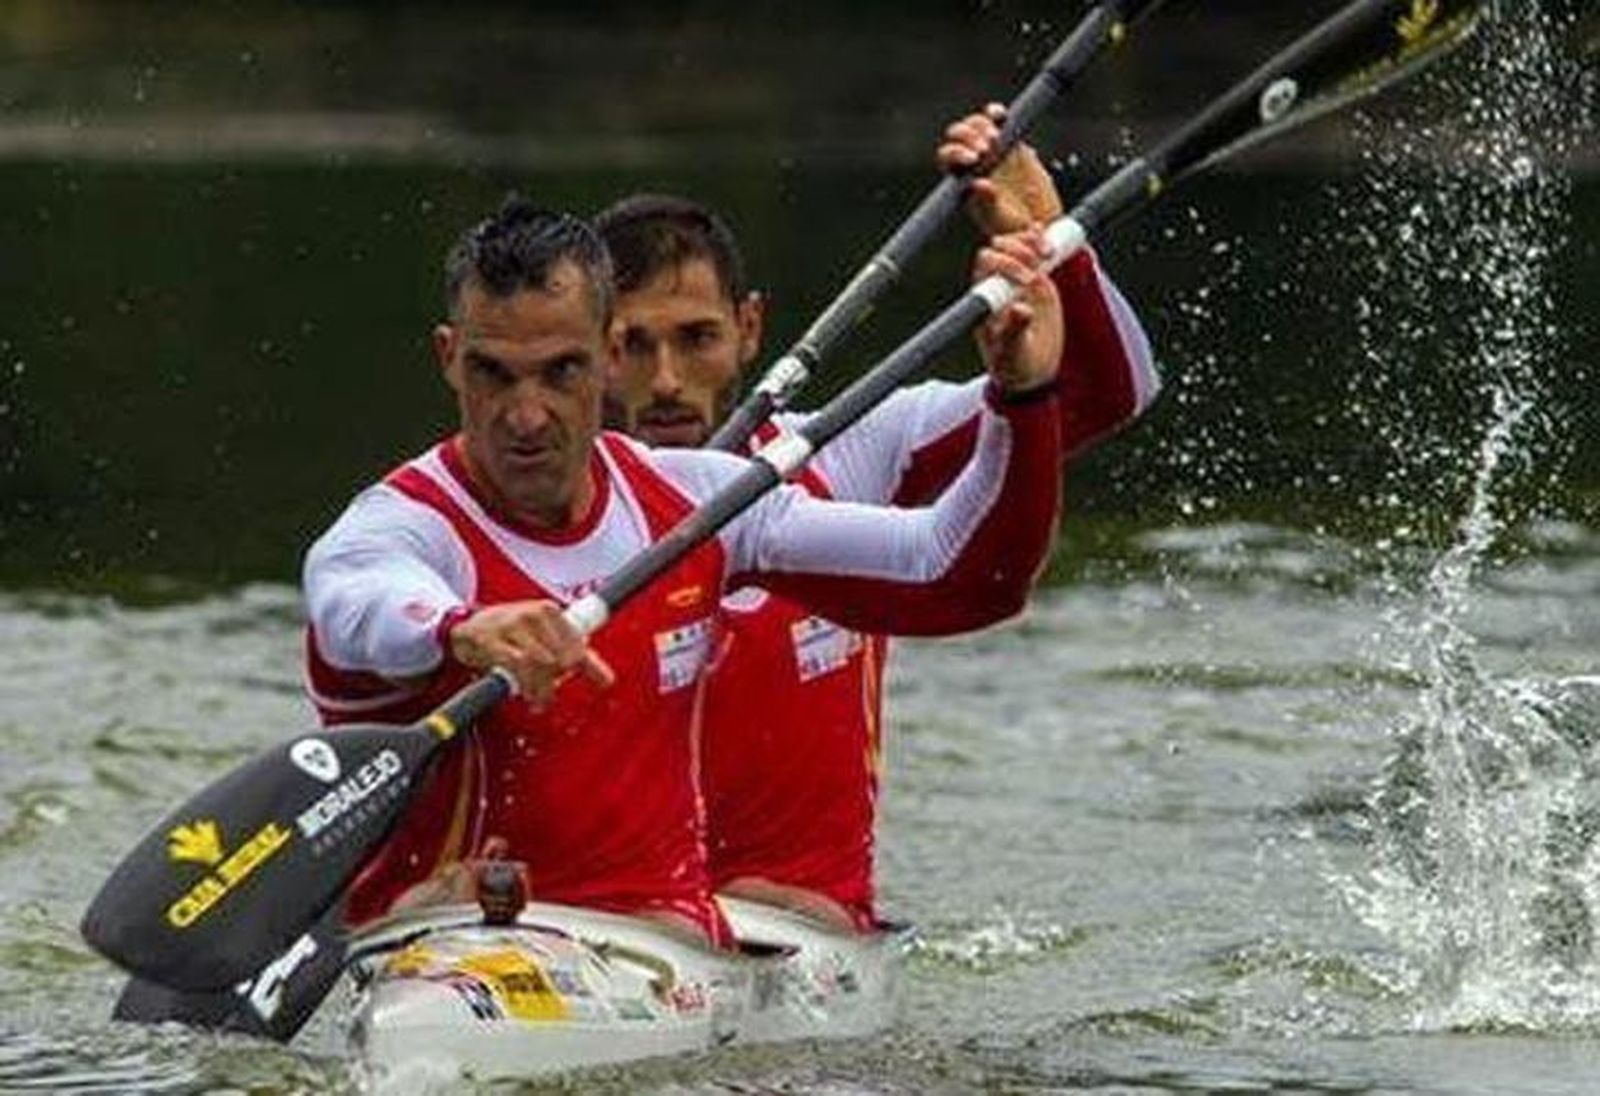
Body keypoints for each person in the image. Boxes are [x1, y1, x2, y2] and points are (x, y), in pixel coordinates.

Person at [303, 195, 1073, 944]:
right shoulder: (395, 528)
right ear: (448, 358)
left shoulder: (699, 504)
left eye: (561, 371)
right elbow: (361, 606)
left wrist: (1023, 397)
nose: (527, 415)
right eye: (493, 374)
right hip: (444, 944)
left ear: (610, 356)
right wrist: (460, 627)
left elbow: (961, 576)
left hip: (659, 956)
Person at [594, 105, 1158, 933]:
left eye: (697, 337)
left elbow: (1109, 393)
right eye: (632, 345)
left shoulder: (853, 450)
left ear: (750, 328)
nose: (668, 379)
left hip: (801, 926)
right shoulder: (550, 506)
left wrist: (1051, 238)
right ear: (587, 348)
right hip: (615, 927)